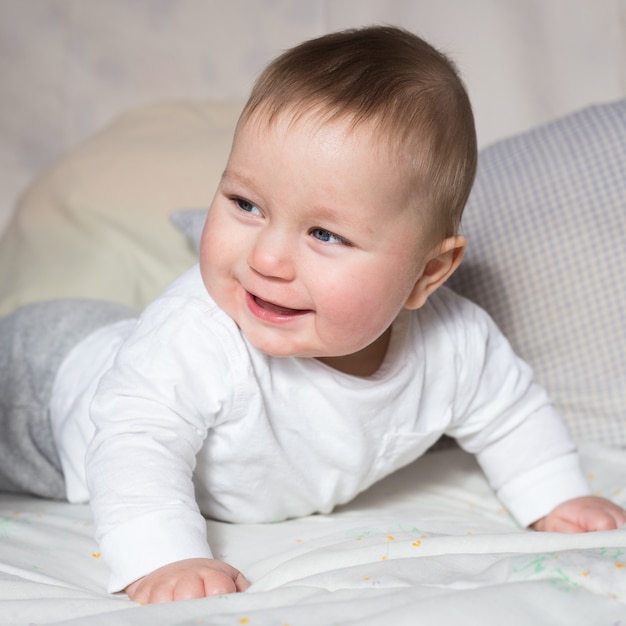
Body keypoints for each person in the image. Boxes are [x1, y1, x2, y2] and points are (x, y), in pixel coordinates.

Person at [1, 25, 624, 605]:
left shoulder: (455, 345)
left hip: (115, 346)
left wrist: (558, 495)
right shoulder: (195, 332)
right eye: (246, 203)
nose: (267, 257)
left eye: (325, 234)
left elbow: (509, 414)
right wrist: (160, 558)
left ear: (428, 273)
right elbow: (136, 441)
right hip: (52, 391)